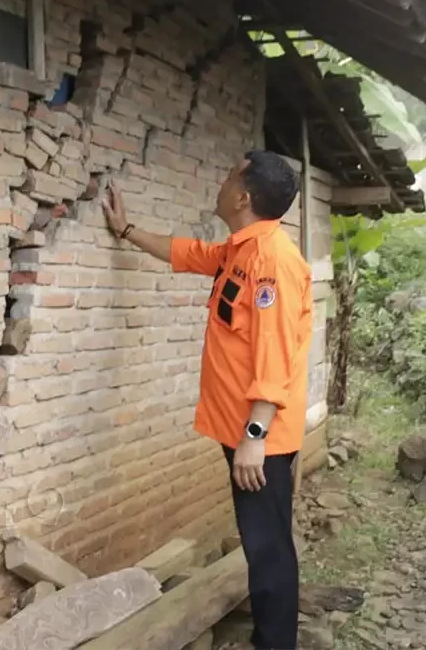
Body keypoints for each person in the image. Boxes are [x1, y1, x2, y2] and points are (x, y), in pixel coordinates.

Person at [101, 150, 311, 650]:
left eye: (227, 175)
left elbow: (275, 359)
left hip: (260, 439)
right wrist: (128, 230)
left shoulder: (273, 263)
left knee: (267, 551)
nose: (219, 181)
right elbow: (190, 253)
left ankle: (274, 644)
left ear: (242, 196)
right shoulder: (242, 250)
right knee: (265, 544)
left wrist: (254, 438)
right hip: (243, 432)